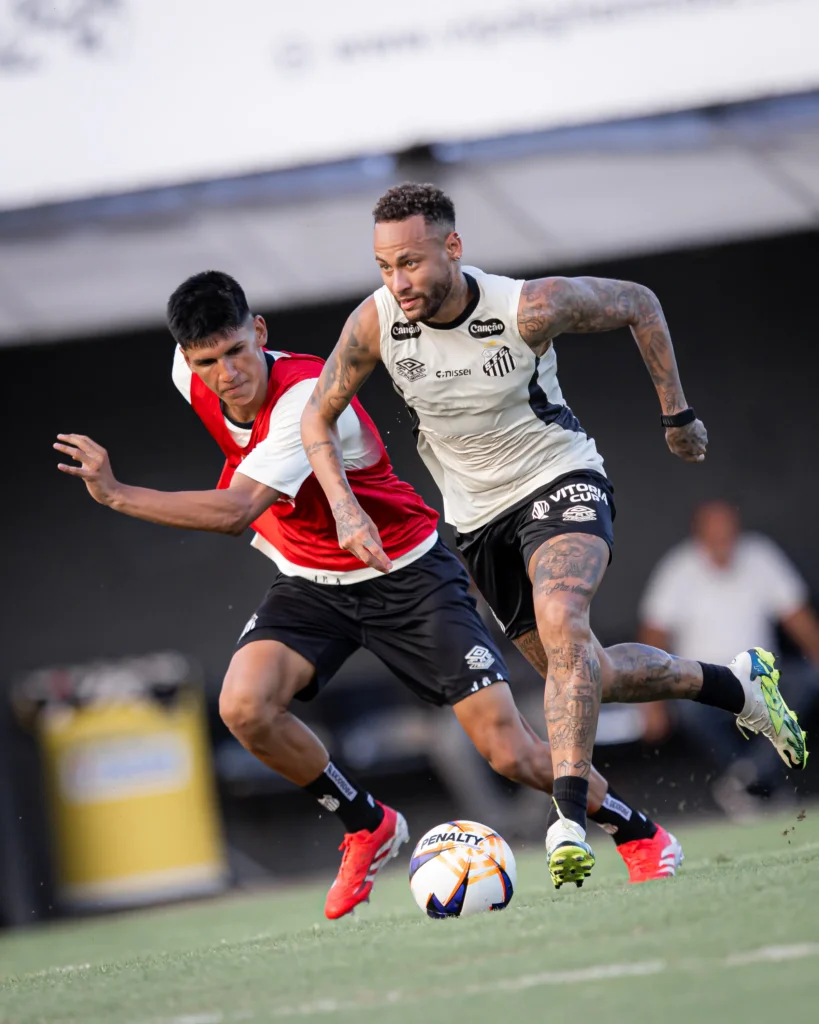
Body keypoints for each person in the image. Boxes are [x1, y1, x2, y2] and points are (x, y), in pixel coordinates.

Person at [54, 271, 688, 922]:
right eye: (206, 362)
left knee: (510, 751)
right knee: (243, 706)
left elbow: (235, 510)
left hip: (406, 575)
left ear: (260, 332)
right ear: (187, 359)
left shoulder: (303, 394)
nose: (226, 374)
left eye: (237, 351)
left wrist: (116, 494)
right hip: (311, 580)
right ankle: (366, 823)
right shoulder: (188, 374)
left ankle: (640, 833)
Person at [300, 182, 808, 889]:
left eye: (410, 262)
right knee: (589, 671)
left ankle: (568, 820)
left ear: (453, 247)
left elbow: (638, 302)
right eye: (385, 266)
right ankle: (738, 685)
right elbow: (317, 416)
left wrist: (676, 415)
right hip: (478, 524)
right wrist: (344, 507)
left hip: (558, 479)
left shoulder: (526, 307)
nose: (398, 281)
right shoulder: (375, 323)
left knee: (563, 620)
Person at [639, 499, 819, 817]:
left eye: (728, 533)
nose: (723, 542)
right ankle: (757, 784)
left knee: (807, 680)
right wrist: (650, 701)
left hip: (762, 678)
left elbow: (797, 616)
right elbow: (654, 634)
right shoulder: (678, 568)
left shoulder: (760, 556)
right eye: (715, 534)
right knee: (687, 707)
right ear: (699, 535)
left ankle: (744, 779)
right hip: (703, 681)